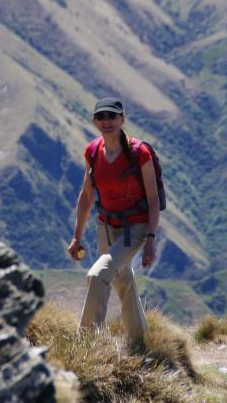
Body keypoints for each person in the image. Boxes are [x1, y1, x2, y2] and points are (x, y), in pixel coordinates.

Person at [68, 97, 160, 342]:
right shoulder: (92, 152)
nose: (106, 121)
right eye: (101, 116)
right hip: (106, 227)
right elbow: (87, 195)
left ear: (122, 119)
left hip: (137, 226)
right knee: (122, 280)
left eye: (111, 116)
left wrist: (150, 238)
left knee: (98, 275)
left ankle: (87, 344)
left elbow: (153, 200)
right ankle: (139, 341)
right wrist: (77, 236)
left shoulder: (139, 153)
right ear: (94, 121)